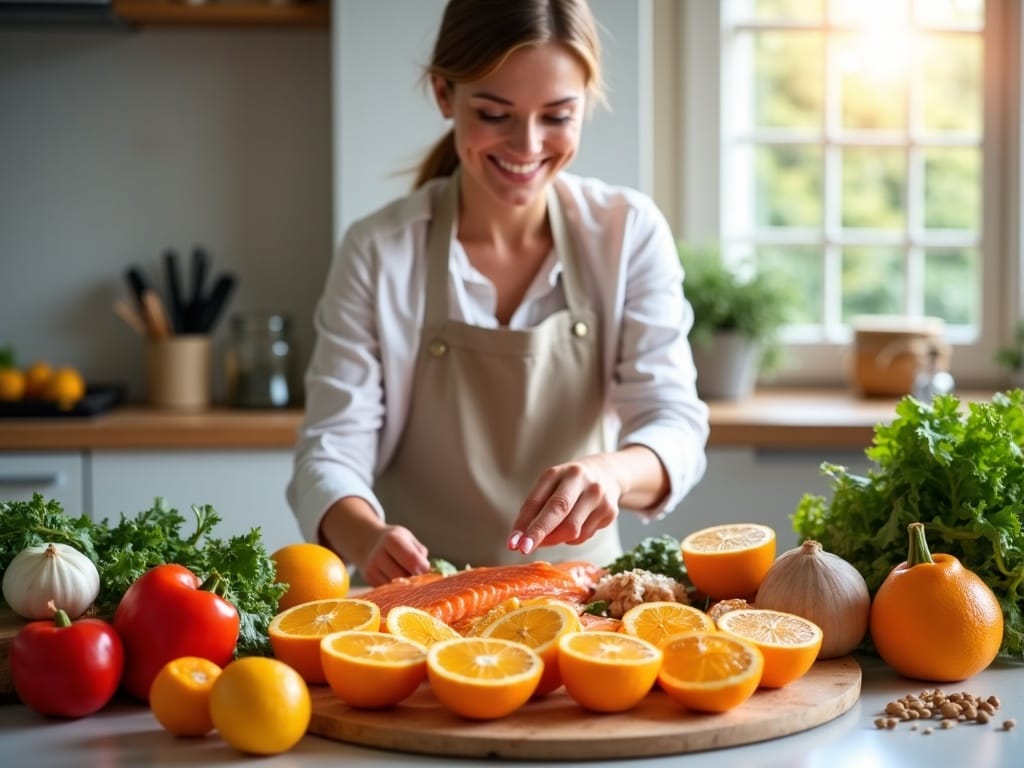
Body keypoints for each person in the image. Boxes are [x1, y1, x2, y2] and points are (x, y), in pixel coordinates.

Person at [287, 0, 709, 586]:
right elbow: (329, 452)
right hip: (418, 602)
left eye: (557, 116)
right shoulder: (379, 250)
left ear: (585, 103)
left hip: (583, 599)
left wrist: (611, 472)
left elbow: (674, 423)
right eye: (494, 113)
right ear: (443, 95)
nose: (527, 145)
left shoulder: (626, 232)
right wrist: (369, 537)